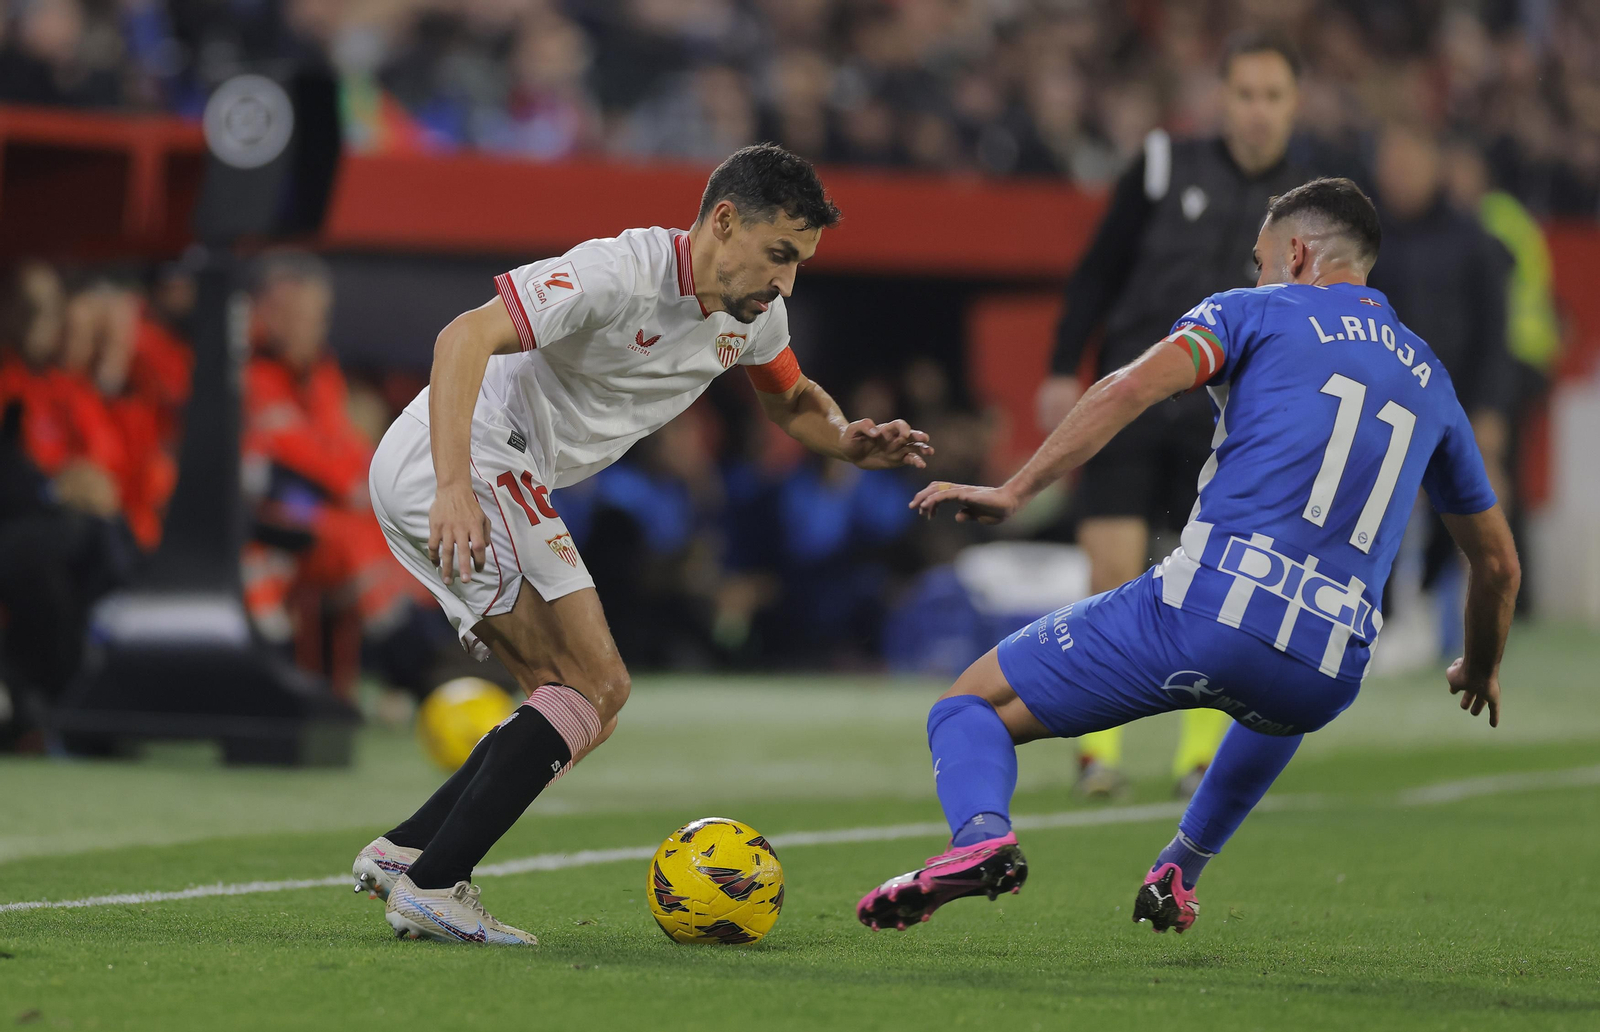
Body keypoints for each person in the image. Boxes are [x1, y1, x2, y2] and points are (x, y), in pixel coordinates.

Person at [857, 178, 1517, 935]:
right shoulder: (1432, 379)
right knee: (1278, 691)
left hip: (1205, 614)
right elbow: (1498, 565)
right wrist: (1480, 663)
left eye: (1262, 259)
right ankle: (1179, 868)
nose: (1259, 273)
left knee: (969, 704)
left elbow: (1129, 386)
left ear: (1297, 255)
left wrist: (1017, 488)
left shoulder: (1255, 311)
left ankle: (980, 839)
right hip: (1329, 669)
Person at [355, 144, 932, 945]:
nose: (786, 281)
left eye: (799, 263)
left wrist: (844, 439)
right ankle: (433, 884)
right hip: (467, 454)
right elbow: (463, 337)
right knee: (598, 685)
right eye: (780, 255)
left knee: (571, 697)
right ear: (723, 221)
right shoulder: (618, 273)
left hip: (483, 468)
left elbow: (791, 396)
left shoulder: (754, 313)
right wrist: (455, 484)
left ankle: (411, 851)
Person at [1035, 31, 1310, 799]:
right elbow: (1096, 272)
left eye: (1273, 96)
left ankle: (1197, 756)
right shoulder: (1161, 164)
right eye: (1245, 95)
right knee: (1109, 573)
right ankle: (1099, 756)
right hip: (1131, 392)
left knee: (1217, 587)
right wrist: (1063, 368)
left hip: (1230, 418)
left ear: (1295, 105)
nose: (1257, 112)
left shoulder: (1310, 202)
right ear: (1220, 100)